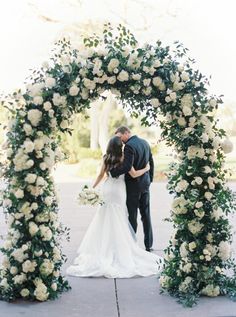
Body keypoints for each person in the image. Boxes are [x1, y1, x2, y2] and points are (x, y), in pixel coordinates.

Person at [66, 136, 162, 278]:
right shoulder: (124, 158)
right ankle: (119, 247)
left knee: (104, 216)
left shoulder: (105, 158)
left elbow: (100, 175)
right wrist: (146, 168)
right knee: (120, 217)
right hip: (119, 191)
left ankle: (104, 247)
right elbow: (134, 174)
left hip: (107, 189)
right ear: (120, 147)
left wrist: (91, 188)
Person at [110, 126, 154, 251]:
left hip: (133, 186)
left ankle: (132, 244)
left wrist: (112, 172)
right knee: (146, 214)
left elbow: (127, 167)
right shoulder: (145, 143)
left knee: (132, 215)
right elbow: (151, 162)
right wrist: (149, 179)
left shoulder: (129, 146)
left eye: (120, 136)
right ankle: (148, 244)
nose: (120, 140)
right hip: (145, 184)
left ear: (127, 133)